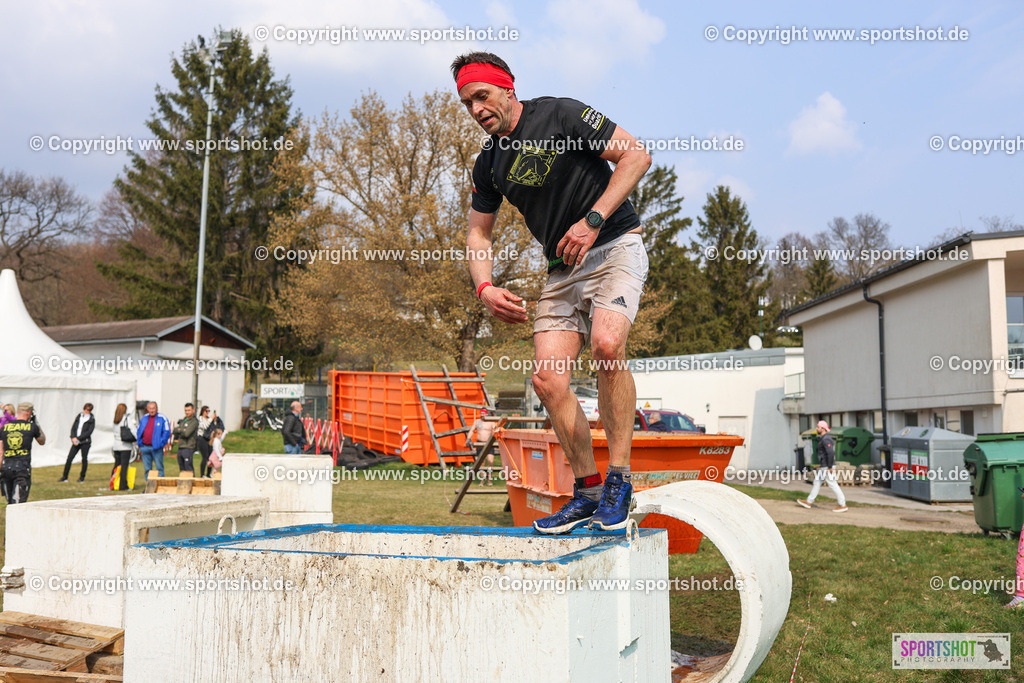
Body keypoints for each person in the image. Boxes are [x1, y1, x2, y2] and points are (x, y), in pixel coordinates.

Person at [453, 52, 652, 533]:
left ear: (507, 88)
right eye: (466, 103)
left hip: (614, 246)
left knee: (608, 346)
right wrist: (484, 288)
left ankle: (620, 483)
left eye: (482, 95)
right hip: (563, 270)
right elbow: (479, 236)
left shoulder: (561, 114)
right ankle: (586, 490)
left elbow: (636, 155)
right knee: (548, 381)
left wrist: (594, 219)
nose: (476, 109)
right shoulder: (488, 164)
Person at [796, 420, 848, 512]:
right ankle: (809, 501)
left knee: (832, 484)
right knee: (817, 482)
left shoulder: (826, 439)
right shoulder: (823, 438)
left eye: (818, 427)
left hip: (827, 467)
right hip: (825, 466)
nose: (816, 428)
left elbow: (830, 453)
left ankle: (842, 504)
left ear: (823, 429)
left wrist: (830, 467)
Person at [0, 402, 46, 504]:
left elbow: (1, 452)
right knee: (19, 502)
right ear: (29, 412)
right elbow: (42, 441)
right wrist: (37, 424)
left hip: (6, 467)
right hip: (22, 468)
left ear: (17, 412)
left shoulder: (5, 428)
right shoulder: (32, 426)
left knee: (10, 502)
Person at [59, 403, 94, 483]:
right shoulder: (79, 416)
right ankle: (65, 476)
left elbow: (89, 432)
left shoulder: (91, 419)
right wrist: (73, 437)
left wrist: (78, 438)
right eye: (86, 409)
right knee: (70, 458)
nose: (87, 411)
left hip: (85, 442)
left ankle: (82, 477)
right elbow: (74, 427)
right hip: (75, 441)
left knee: (84, 459)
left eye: (89, 410)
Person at [136, 402, 171, 477]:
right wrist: (140, 443)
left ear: (157, 408)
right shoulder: (144, 418)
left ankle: (160, 487)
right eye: (150, 408)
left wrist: (161, 443)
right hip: (145, 447)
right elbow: (139, 431)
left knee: (159, 468)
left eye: (153, 408)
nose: (152, 410)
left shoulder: (162, 418)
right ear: (147, 409)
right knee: (147, 469)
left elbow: (167, 432)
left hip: (157, 448)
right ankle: (149, 486)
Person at [467, 409, 497, 484]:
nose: (482, 415)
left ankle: (489, 478)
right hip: (480, 443)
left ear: (487, 414)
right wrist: (468, 438)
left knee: (490, 461)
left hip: (489, 444)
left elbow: (495, 430)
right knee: (481, 462)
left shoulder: (491, 422)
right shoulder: (477, 421)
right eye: (481, 413)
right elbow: (472, 430)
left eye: (484, 413)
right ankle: (482, 479)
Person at [112, 402, 137, 490]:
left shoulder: (115, 419)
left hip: (116, 446)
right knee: (124, 467)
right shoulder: (126, 418)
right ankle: (123, 485)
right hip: (125, 446)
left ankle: (113, 483)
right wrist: (138, 439)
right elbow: (133, 430)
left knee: (116, 465)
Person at [173, 403, 199, 473]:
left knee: (188, 468)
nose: (187, 412)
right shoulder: (184, 420)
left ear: (193, 410)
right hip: (180, 446)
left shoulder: (194, 421)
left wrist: (180, 430)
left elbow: (187, 433)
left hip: (188, 447)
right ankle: (183, 483)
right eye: (186, 410)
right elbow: (174, 430)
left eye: (189, 410)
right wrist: (182, 429)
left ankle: (191, 482)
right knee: (182, 469)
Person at [200, 409, 226, 477]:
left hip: (215, 455)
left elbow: (222, 438)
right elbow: (217, 450)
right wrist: (220, 457)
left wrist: (225, 433)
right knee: (216, 466)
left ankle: (210, 474)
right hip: (215, 455)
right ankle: (211, 475)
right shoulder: (216, 441)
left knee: (216, 467)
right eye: (220, 434)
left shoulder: (217, 440)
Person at [196, 406, 212, 478]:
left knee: (210, 457)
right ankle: (202, 474)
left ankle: (209, 473)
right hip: (202, 438)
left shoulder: (209, 419)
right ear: (203, 411)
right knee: (204, 457)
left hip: (209, 439)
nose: (207, 412)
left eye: (209, 411)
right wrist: (211, 419)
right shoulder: (200, 419)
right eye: (206, 411)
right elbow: (204, 426)